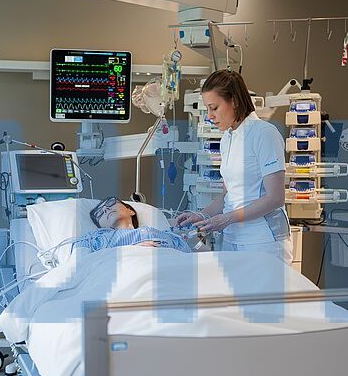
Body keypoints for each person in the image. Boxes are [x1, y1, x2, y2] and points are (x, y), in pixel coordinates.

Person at [175, 69, 293, 263]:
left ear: (235, 101)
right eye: (207, 109)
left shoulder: (264, 134)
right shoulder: (227, 139)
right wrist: (201, 215)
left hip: (263, 241)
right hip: (232, 239)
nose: (209, 116)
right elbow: (226, 196)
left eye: (214, 108)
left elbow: (275, 198)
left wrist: (227, 218)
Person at [72, 197, 191, 254]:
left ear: (131, 211)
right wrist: (131, 250)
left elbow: (186, 256)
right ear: (101, 226)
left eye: (110, 203)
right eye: (100, 213)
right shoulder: (95, 238)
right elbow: (81, 263)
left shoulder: (164, 234)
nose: (106, 209)